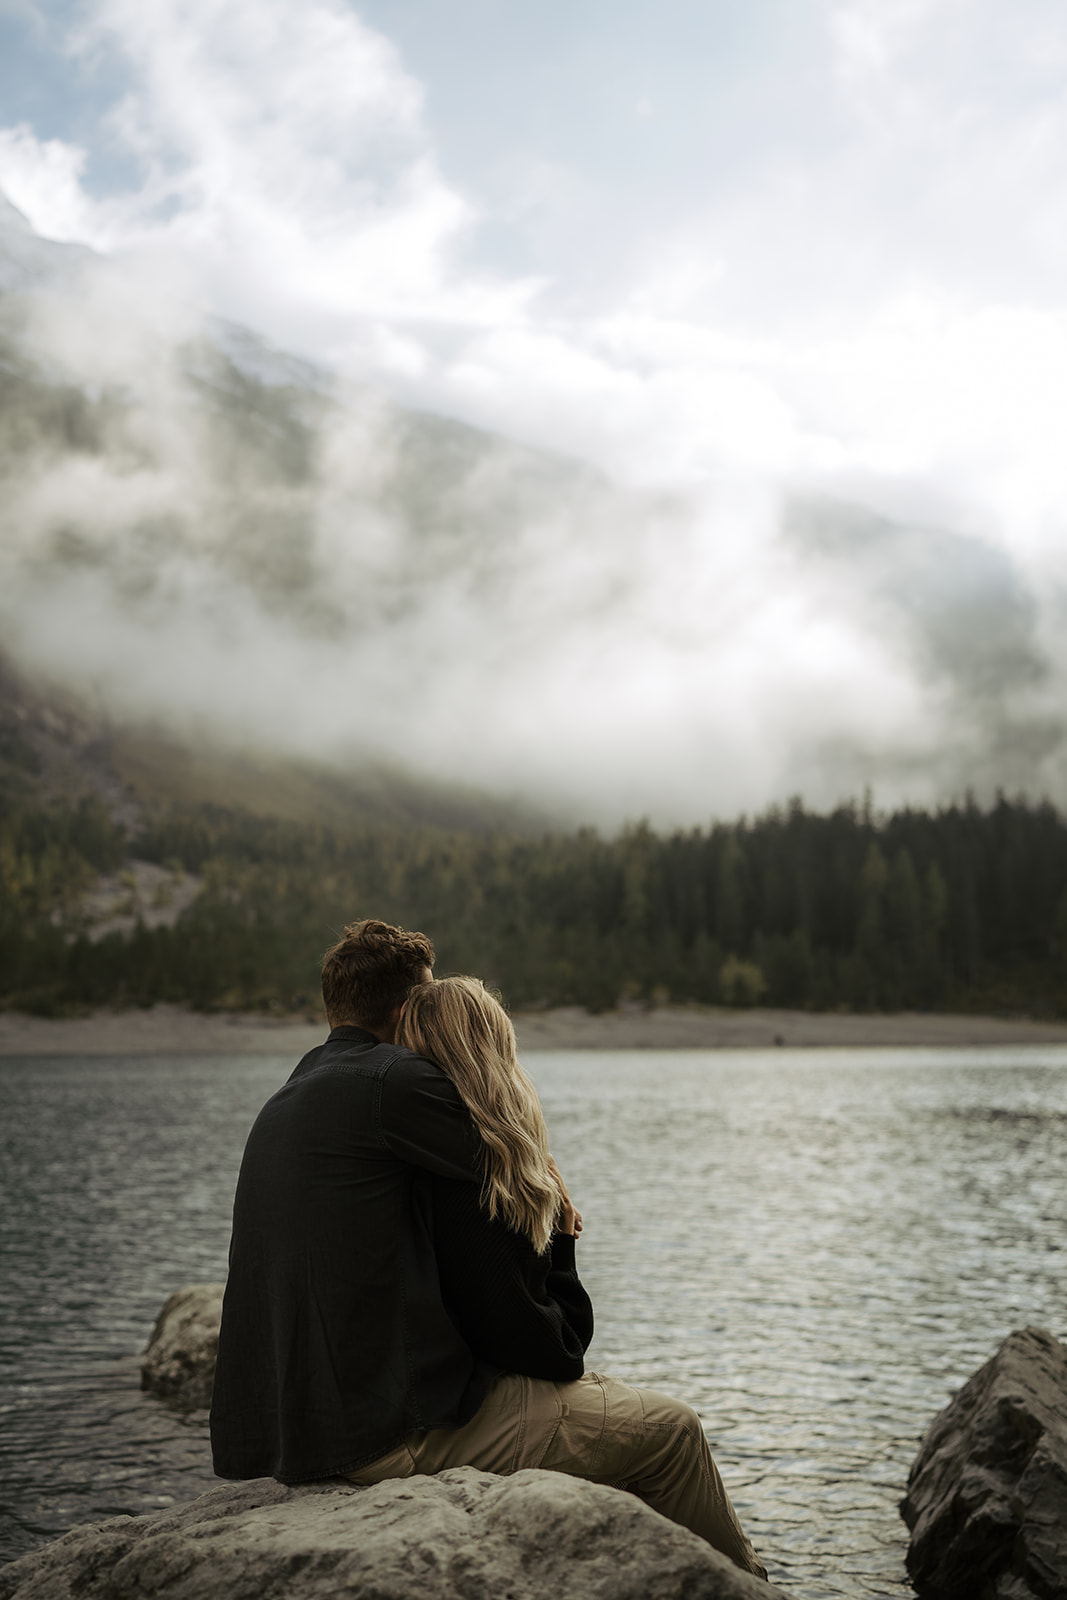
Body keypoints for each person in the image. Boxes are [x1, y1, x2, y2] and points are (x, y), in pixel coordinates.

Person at [210, 919, 766, 1579]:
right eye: (427, 996)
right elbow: (511, 1176)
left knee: (593, 1421)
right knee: (670, 1434)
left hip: (291, 1433)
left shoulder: (296, 1090)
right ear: (405, 1009)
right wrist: (552, 1221)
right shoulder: (398, 1082)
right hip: (380, 1433)